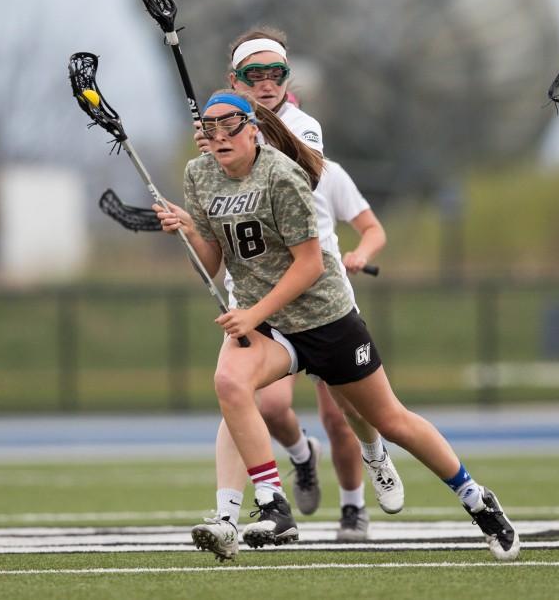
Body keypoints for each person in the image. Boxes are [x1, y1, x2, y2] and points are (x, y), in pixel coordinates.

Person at [159, 90, 520, 561]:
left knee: (391, 420)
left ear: (254, 129)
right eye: (211, 129)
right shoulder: (198, 175)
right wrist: (189, 231)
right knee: (229, 380)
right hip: (270, 323)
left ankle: (477, 500)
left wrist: (254, 312)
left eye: (231, 126)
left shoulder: (282, 175)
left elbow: (310, 265)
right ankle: (273, 505)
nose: (220, 137)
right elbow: (213, 265)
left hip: (324, 317)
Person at [189, 27, 403, 559]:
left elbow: (287, 177)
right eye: (251, 76)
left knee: (347, 411)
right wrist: (221, 139)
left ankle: (372, 458)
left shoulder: (302, 127)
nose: (264, 84)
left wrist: (227, 136)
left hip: (314, 287)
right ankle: (250, 499)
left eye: (273, 75)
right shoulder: (225, 127)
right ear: (235, 79)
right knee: (246, 397)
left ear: (288, 80)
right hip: (258, 294)